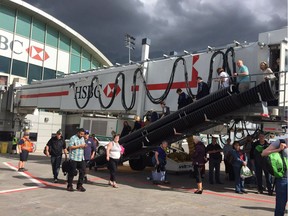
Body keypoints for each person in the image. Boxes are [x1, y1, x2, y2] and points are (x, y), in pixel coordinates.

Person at [262, 135, 287, 216]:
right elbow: (264, 153)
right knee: (280, 206)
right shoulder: (281, 142)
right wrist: (279, 149)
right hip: (283, 178)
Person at [67, 128, 87, 192]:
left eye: (83, 134)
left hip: (81, 158)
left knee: (83, 171)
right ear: (78, 133)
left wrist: (84, 146)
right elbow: (70, 147)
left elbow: (83, 145)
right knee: (72, 172)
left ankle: (79, 185)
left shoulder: (82, 138)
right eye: (81, 134)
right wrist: (80, 146)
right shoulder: (73, 138)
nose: (82, 135)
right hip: (74, 157)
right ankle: (69, 185)